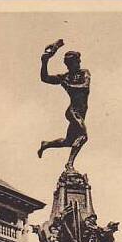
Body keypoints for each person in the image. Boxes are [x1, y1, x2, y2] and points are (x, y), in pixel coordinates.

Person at [38, 42, 91, 171]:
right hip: (72, 111)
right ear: (69, 65)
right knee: (83, 137)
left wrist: (68, 86)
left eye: (79, 62)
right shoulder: (65, 77)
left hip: (81, 112)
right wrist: (44, 62)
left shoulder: (84, 73)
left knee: (68, 141)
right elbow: (44, 78)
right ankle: (69, 164)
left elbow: (85, 86)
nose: (79, 64)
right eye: (76, 62)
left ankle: (46, 144)